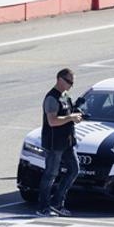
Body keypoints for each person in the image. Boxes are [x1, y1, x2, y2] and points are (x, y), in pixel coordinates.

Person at [36, 68, 83, 217]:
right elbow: (52, 121)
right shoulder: (52, 98)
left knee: (74, 169)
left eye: (72, 82)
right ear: (59, 79)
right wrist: (71, 118)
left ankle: (57, 202)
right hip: (54, 142)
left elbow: (68, 113)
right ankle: (43, 207)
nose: (70, 85)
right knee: (50, 174)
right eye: (68, 81)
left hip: (67, 141)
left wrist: (76, 114)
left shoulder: (65, 96)